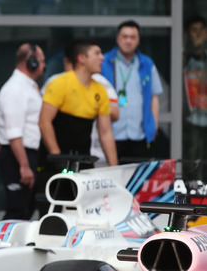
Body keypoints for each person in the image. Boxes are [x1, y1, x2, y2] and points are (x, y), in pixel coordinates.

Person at [39, 39, 118, 168]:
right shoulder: (59, 83)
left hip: (83, 160)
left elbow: (106, 133)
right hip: (56, 161)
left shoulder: (101, 90)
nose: (102, 58)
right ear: (82, 59)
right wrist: (58, 157)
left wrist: (114, 168)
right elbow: (44, 122)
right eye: (97, 54)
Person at [0, 43, 46, 220]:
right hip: (16, 155)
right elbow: (14, 132)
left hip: (26, 154)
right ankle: (4, 246)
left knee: (26, 209)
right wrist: (24, 166)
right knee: (17, 209)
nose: (44, 65)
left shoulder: (28, 87)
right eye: (41, 60)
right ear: (31, 62)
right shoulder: (15, 89)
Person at [100, 20, 164, 160]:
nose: (128, 41)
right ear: (117, 38)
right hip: (111, 133)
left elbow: (154, 97)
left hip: (139, 133)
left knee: (139, 178)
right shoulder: (104, 62)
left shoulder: (146, 64)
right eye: (124, 36)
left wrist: (153, 126)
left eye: (133, 37)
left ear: (138, 40)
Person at [183, 15, 207, 175]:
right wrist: (195, 46)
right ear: (187, 34)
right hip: (189, 115)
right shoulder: (182, 56)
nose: (198, 35)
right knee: (192, 153)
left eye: (201, 31)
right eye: (194, 31)